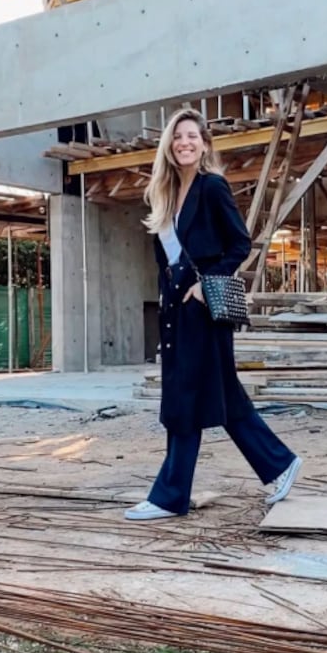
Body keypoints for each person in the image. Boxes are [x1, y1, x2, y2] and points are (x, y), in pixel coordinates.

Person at [125, 108, 302, 521]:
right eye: (177, 137)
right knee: (221, 398)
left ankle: (169, 497)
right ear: (169, 146)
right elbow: (164, 261)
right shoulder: (165, 194)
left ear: (204, 144)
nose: (184, 143)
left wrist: (206, 285)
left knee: (185, 398)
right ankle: (280, 464)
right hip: (175, 306)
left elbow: (240, 244)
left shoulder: (212, 187)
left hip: (202, 306)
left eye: (192, 136)